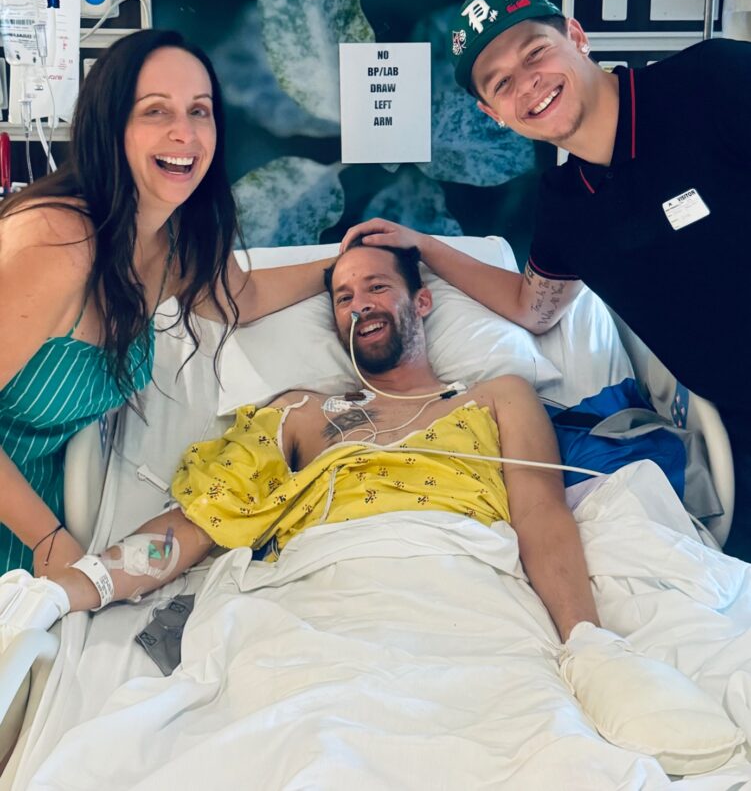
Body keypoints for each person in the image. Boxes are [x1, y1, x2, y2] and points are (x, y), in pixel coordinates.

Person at [4, 240, 740, 776]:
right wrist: (73, 586)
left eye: (377, 288)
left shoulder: (496, 397)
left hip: (465, 592)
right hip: (316, 600)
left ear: (420, 302)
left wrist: (587, 644)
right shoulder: (298, 413)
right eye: (344, 297)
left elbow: (541, 517)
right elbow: (190, 528)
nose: (360, 306)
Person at [343, 0, 751, 558]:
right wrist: (425, 245)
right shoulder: (566, 207)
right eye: (501, 83)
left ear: (577, 38)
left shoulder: (710, 83)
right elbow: (532, 308)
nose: (527, 83)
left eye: (535, 52)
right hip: (739, 434)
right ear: (495, 114)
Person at [0, 29, 328, 577]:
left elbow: (241, 299)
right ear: (113, 126)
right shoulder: (57, 242)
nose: (185, 133)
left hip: (45, 499)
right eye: (156, 111)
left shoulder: (173, 240)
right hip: (23, 520)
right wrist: (48, 541)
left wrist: (350, 266)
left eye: (200, 111)